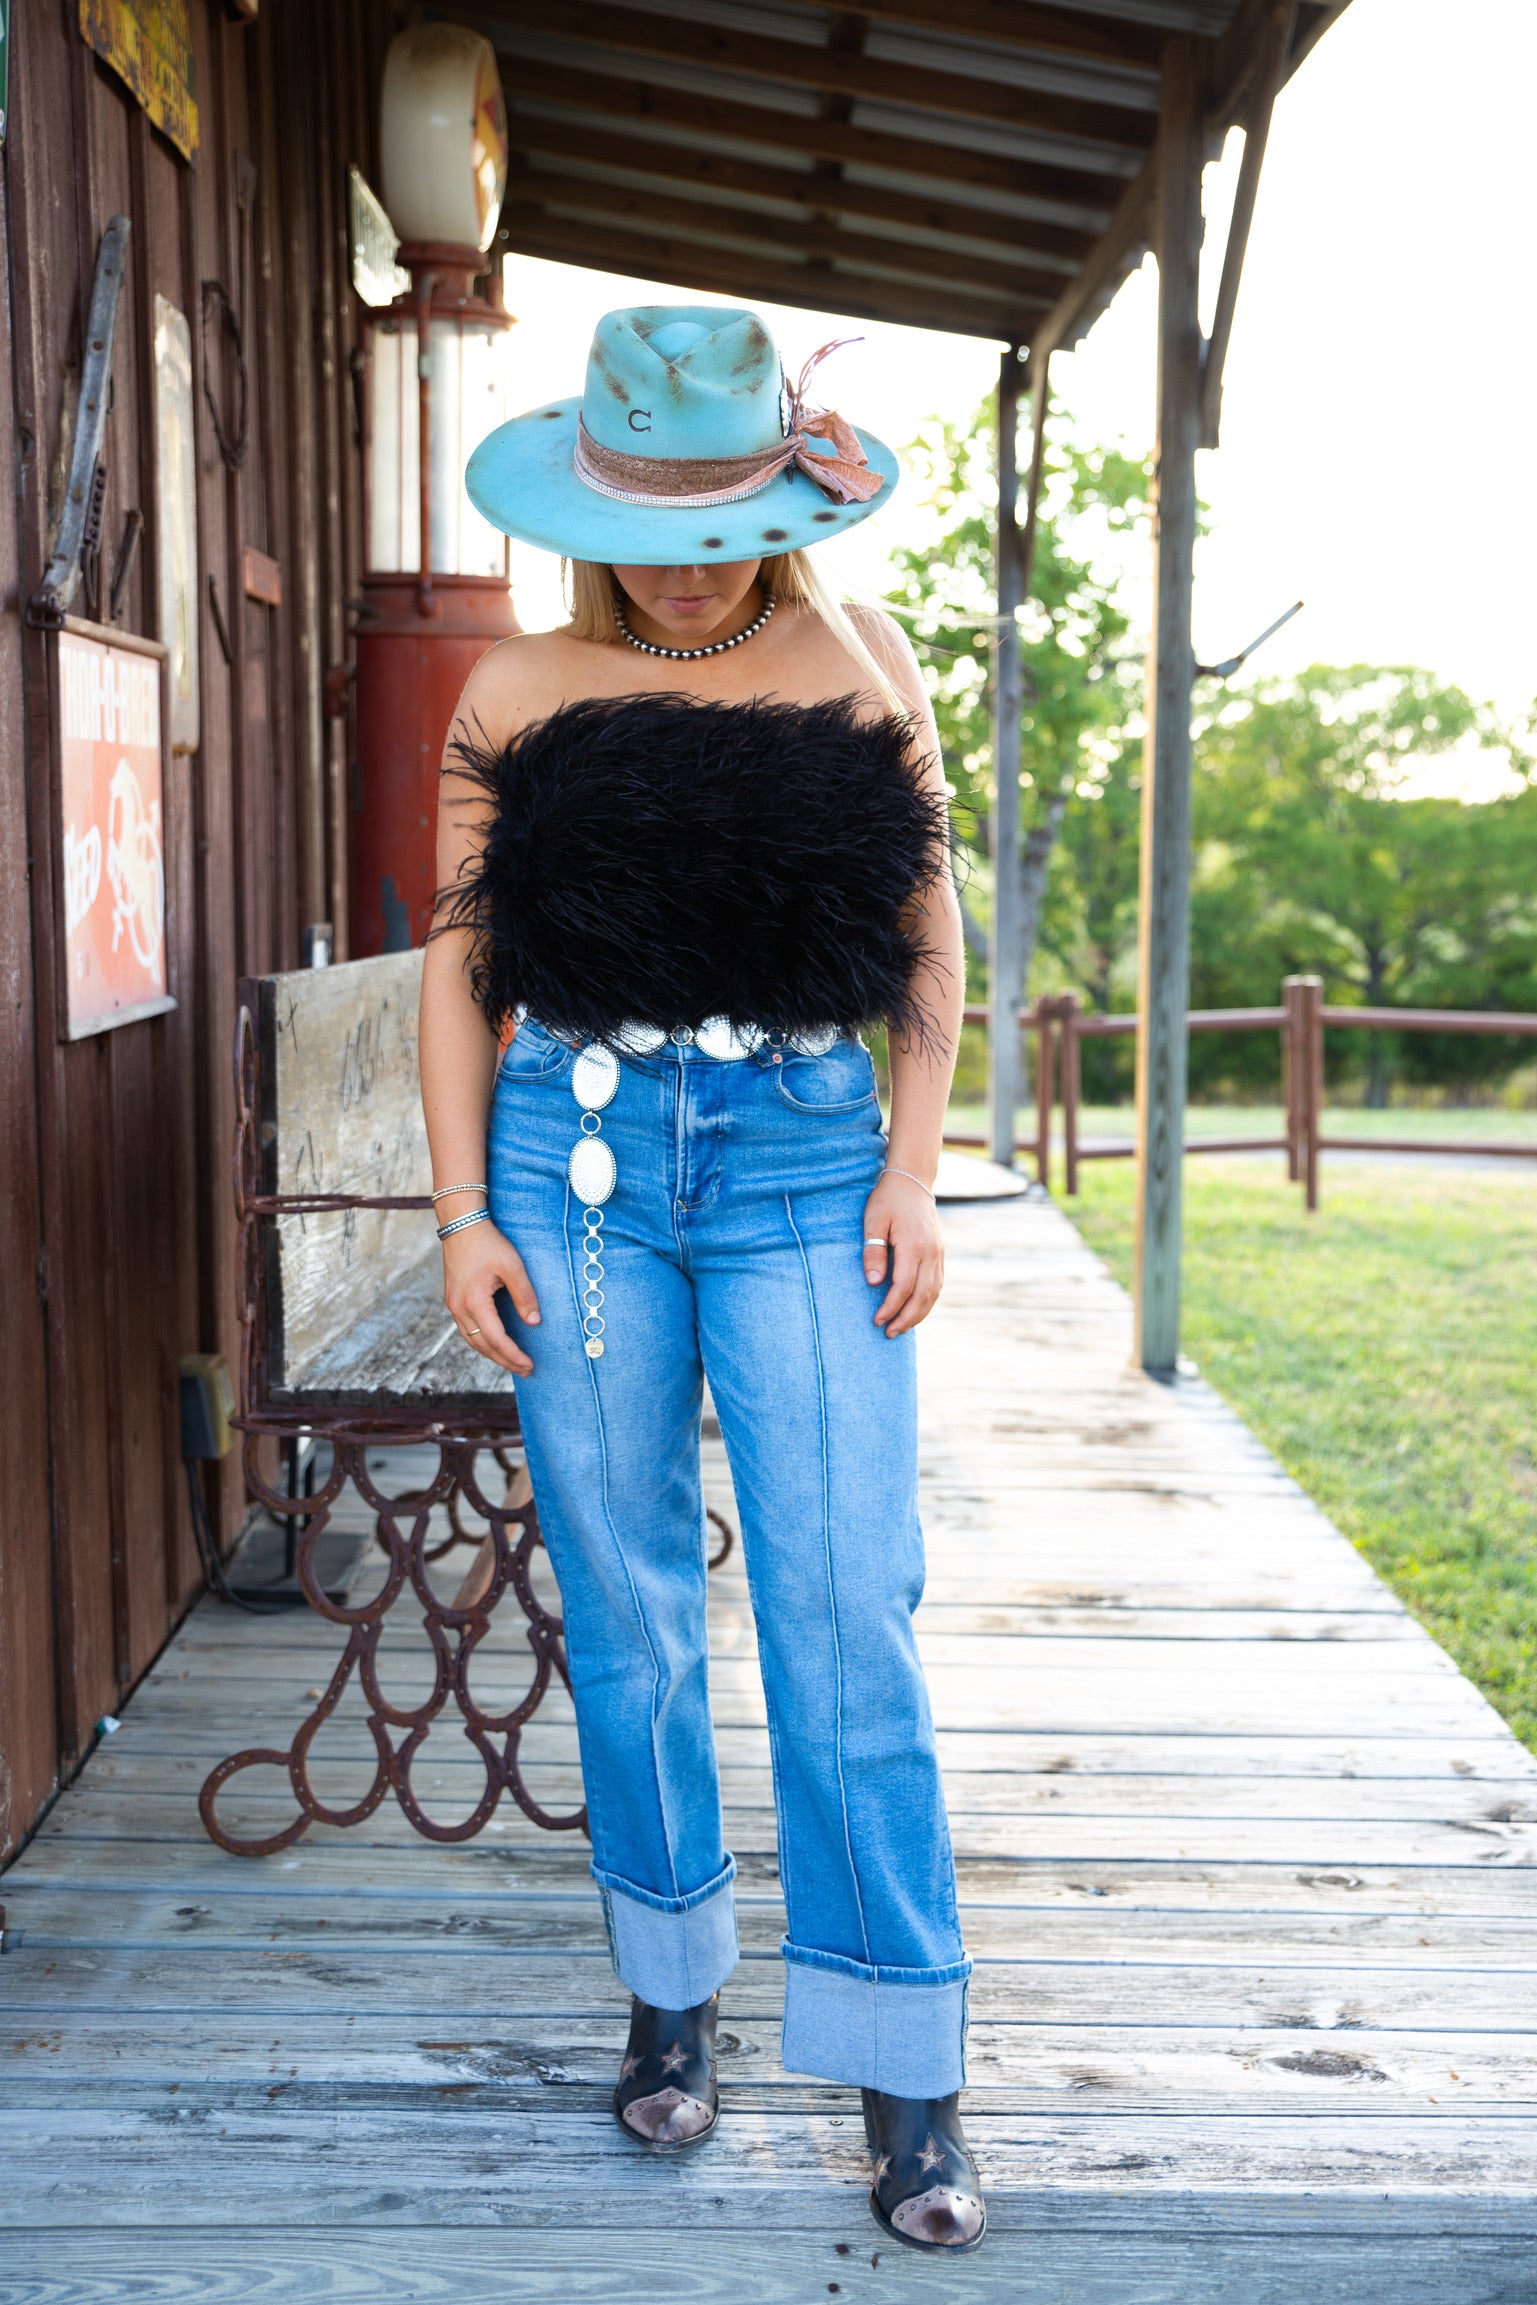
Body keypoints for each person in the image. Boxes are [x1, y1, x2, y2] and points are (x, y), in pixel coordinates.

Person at [418, 305, 983, 2254]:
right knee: (633, 1606)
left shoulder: (852, 655)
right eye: (649, 515)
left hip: (812, 1162)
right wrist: (456, 1212)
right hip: (568, 1177)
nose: (685, 555)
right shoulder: (516, 681)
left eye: (725, 509)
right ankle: (670, 1990)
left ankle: (906, 2067)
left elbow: (929, 932)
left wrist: (914, 1168)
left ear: (779, 490)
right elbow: (455, 963)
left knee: (844, 1601)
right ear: (589, 500)